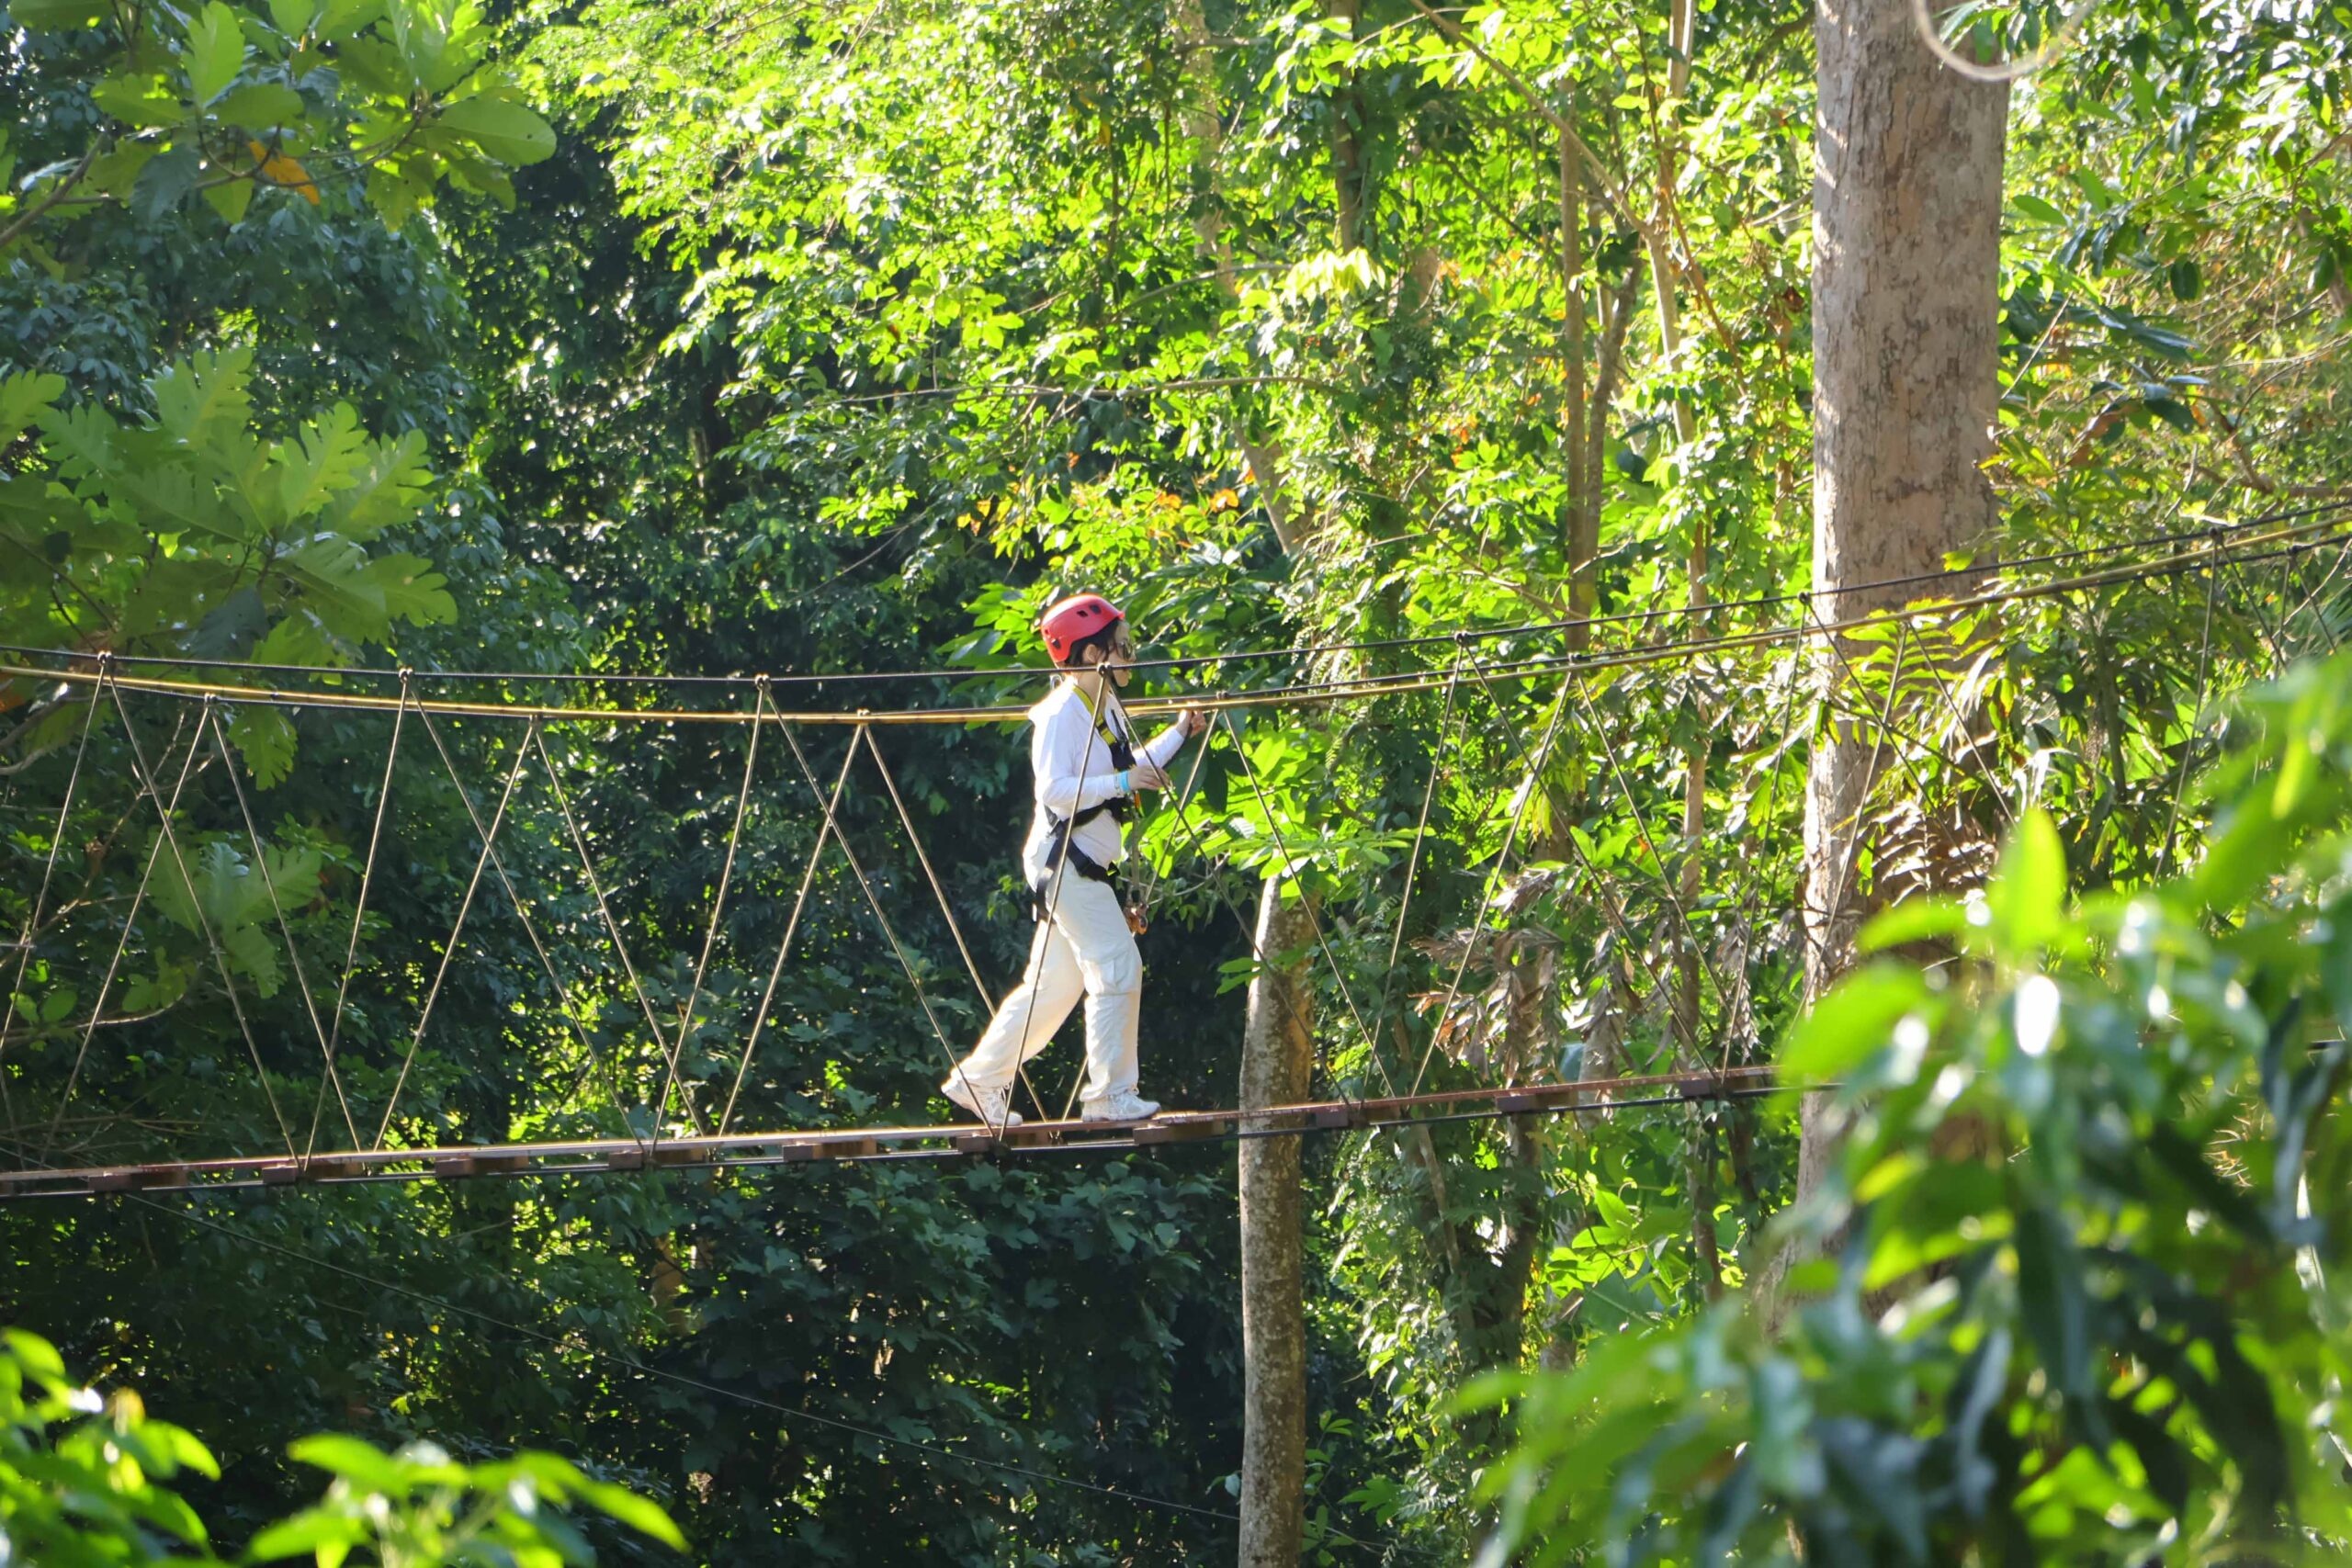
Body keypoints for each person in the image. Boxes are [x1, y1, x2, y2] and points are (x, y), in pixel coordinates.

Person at [940, 592, 1206, 1129]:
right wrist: (1124, 781)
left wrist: (1180, 732)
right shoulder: (1061, 714)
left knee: (1051, 990)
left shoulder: (1103, 703)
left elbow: (1129, 767)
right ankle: (1110, 1095)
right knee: (1117, 965)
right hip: (1069, 861)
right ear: (1091, 656)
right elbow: (1057, 792)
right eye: (1119, 646)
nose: (1129, 654)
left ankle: (979, 1081)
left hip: (1078, 864)